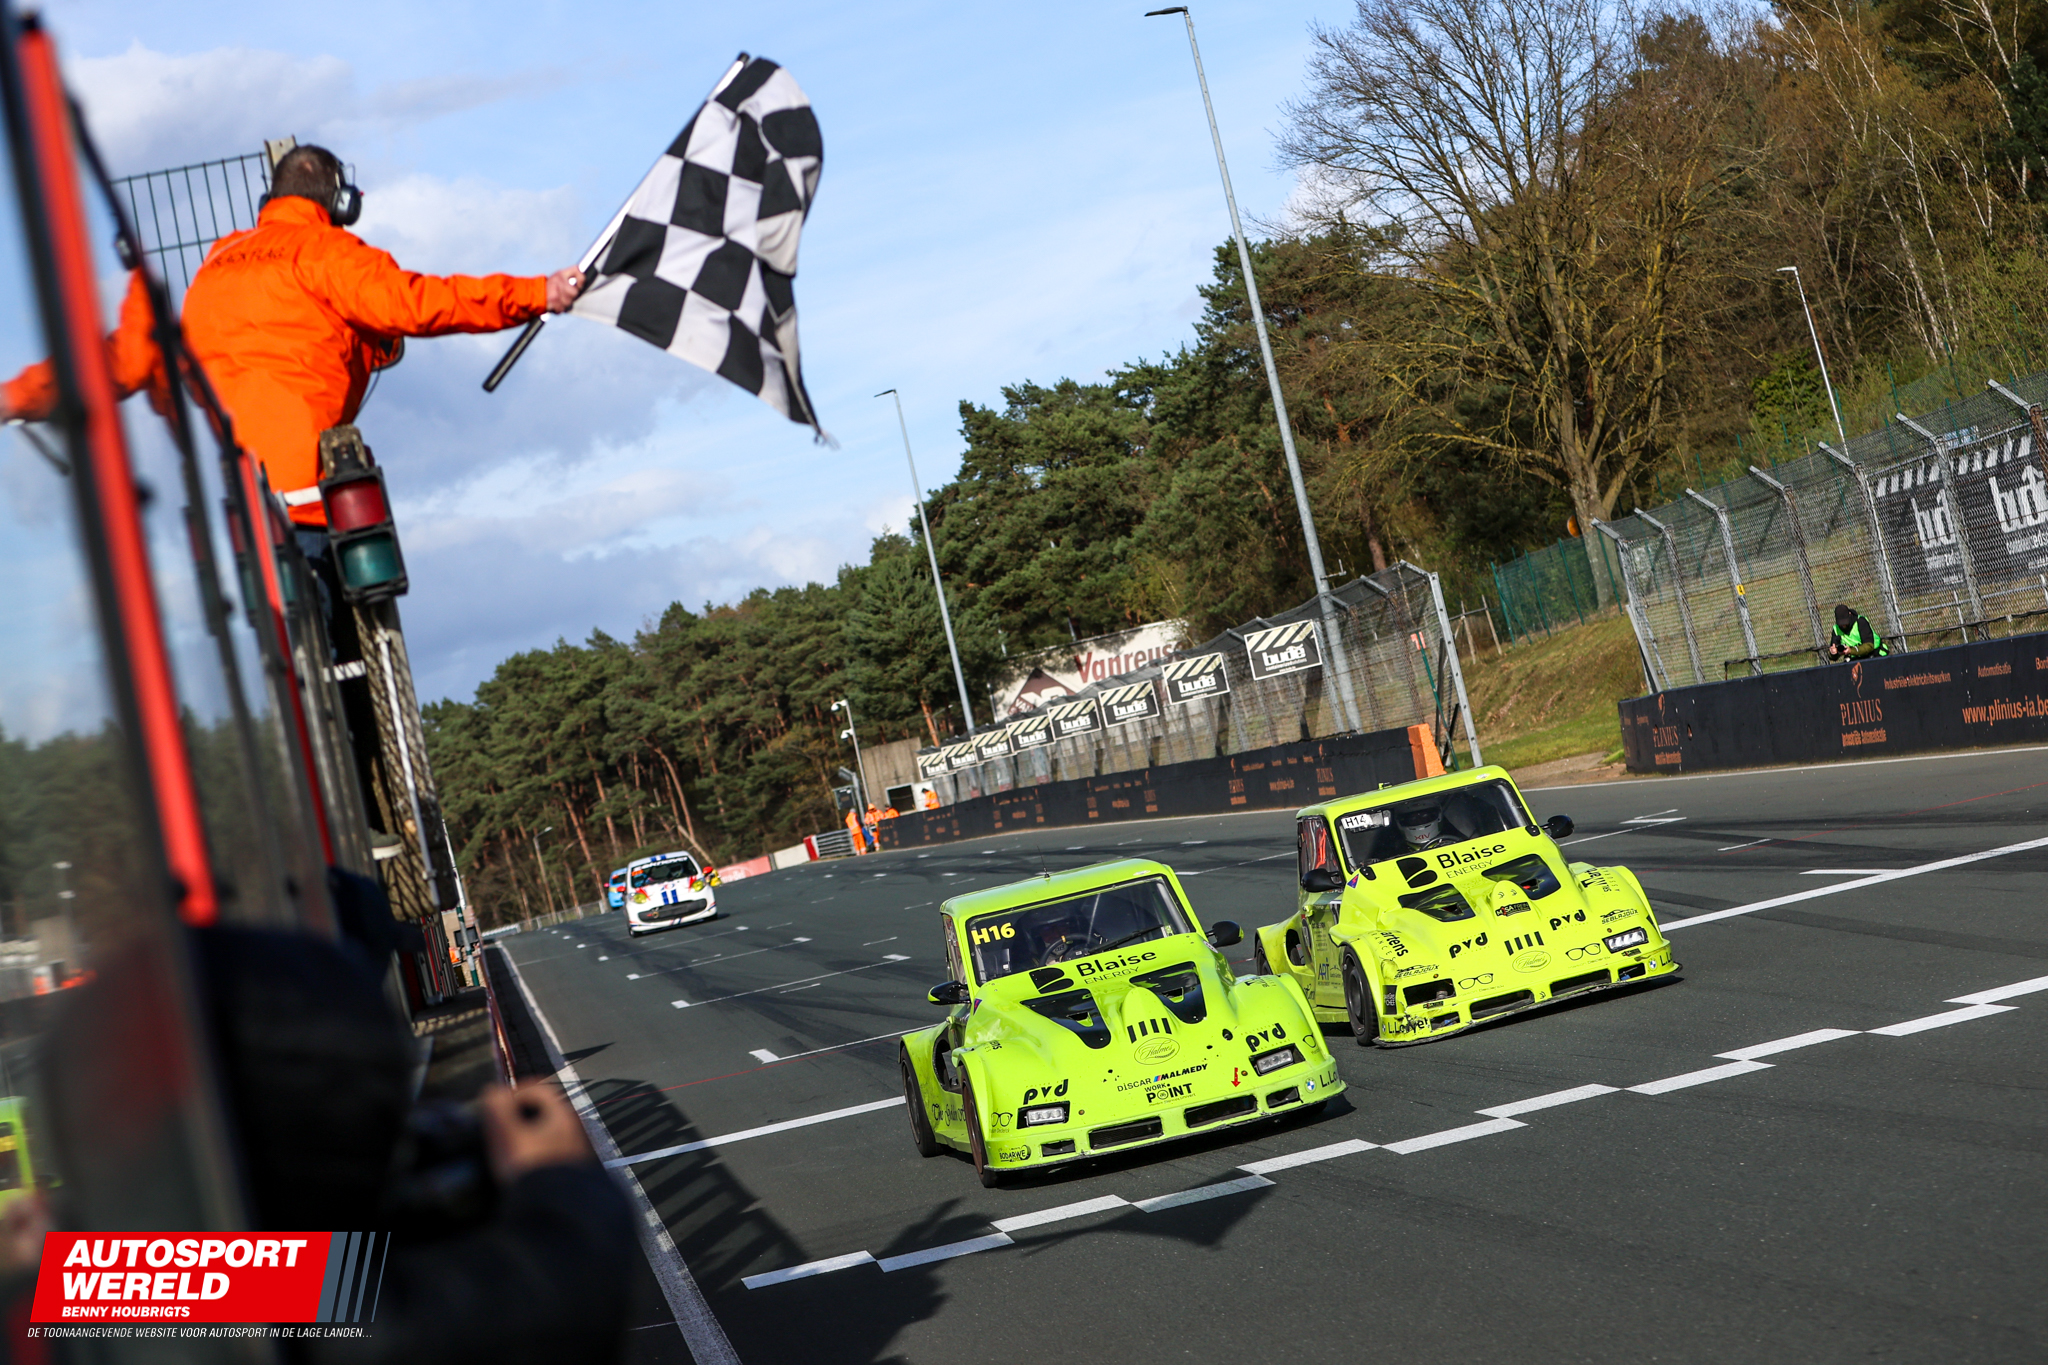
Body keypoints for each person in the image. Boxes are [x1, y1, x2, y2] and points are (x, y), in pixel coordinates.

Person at [180, 144, 582, 535]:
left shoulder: (214, 262)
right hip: (309, 503)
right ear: (341, 202)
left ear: (271, 198)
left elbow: (188, 368)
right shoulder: (326, 251)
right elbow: (418, 304)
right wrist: (536, 293)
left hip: (232, 511)